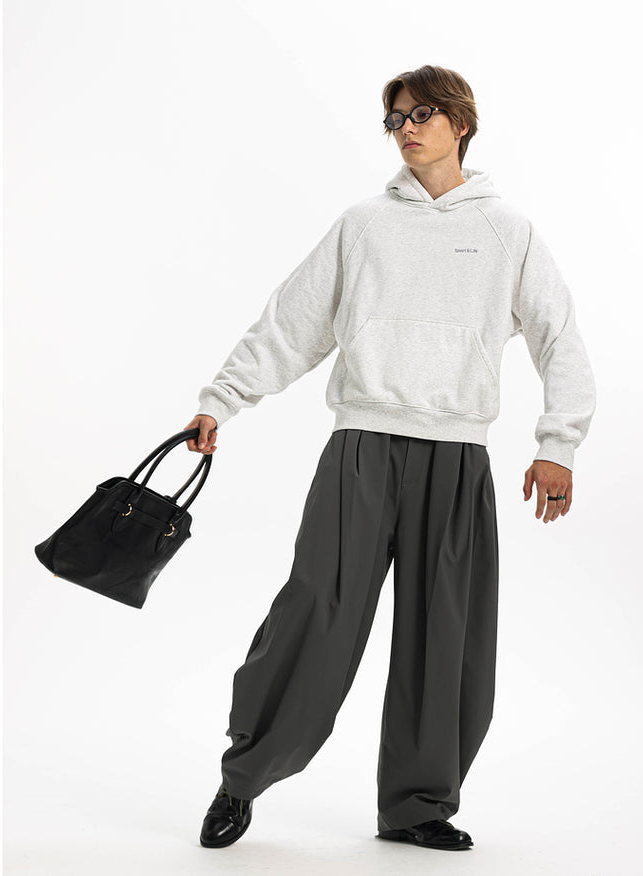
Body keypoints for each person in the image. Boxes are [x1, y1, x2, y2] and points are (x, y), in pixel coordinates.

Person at [183, 64, 596, 851]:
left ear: (461, 123)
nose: (406, 129)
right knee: (316, 611)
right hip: (362, 449)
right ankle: (242, 779)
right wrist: (222, 400)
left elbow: (560, 338)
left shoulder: (507, 231)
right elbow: (291, 324)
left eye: (422, 114)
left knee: (448, 634)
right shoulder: (363, 225)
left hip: (457, 456)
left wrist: (559, 444)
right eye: (396, 118)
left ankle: (416, 807)